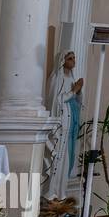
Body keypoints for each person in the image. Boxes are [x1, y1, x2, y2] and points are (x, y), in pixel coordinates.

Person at [47, 50, 84, 200]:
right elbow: (56, 101)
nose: (73, 61)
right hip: (61, 123)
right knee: (59, 157)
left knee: (68, 156)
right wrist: (73, 91)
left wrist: (78, 91)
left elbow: (77, 100)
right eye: (70, 58)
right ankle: (52, 192)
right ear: (63, 61)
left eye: (74, 58)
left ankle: (62, 191)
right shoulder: (58, 77)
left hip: (71, 120)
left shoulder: (72, 77)